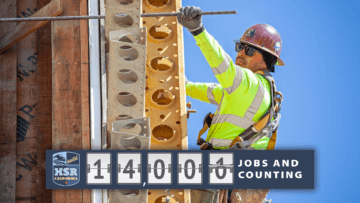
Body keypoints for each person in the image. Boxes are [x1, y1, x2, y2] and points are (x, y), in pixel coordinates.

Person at [177, 6, 285, 203]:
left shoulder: (253, 85)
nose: (241, 53)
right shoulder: (246, 91)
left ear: (265, 61)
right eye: (240, 47)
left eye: (249, 50)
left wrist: (197, 31)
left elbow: (223, 65)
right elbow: (208, 90)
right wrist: (180, 85)